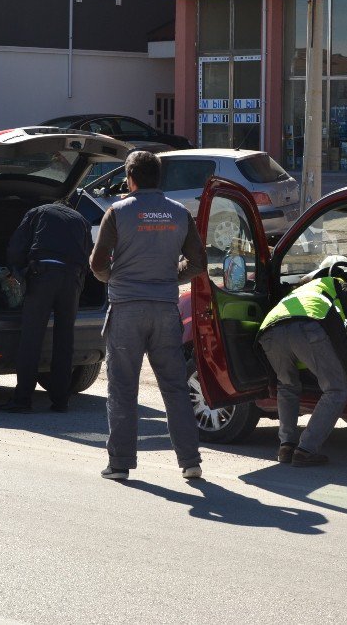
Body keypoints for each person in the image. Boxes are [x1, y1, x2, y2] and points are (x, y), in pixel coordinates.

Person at [90, 150, 207, 480]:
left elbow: (98, 264)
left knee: (123, 389)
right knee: (174, 388)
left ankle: (120, 465)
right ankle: (190, 463)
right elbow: (198, 264)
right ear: (160, 178)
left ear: (130, 178)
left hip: (126, 311)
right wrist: (171, 276)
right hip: (165, 312)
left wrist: (115, 278)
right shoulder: (180, 213)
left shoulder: (117, 212)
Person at [256, 274, 347, 467]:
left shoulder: (299, 291)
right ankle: (306, 450)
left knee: (287, 386)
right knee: (337, 389)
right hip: (307, 327)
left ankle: (286, 446)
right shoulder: (335, 283)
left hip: (270, 330)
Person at [0, 194, 92, 414]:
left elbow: (16, 247)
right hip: (72, 279)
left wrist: (17, 273)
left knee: (32, 337)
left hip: (43, 276)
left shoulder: (38, 212)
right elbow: (88, 255)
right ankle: (60, 401)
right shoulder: (81, 220)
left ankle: (22, 400)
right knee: (65, 339)